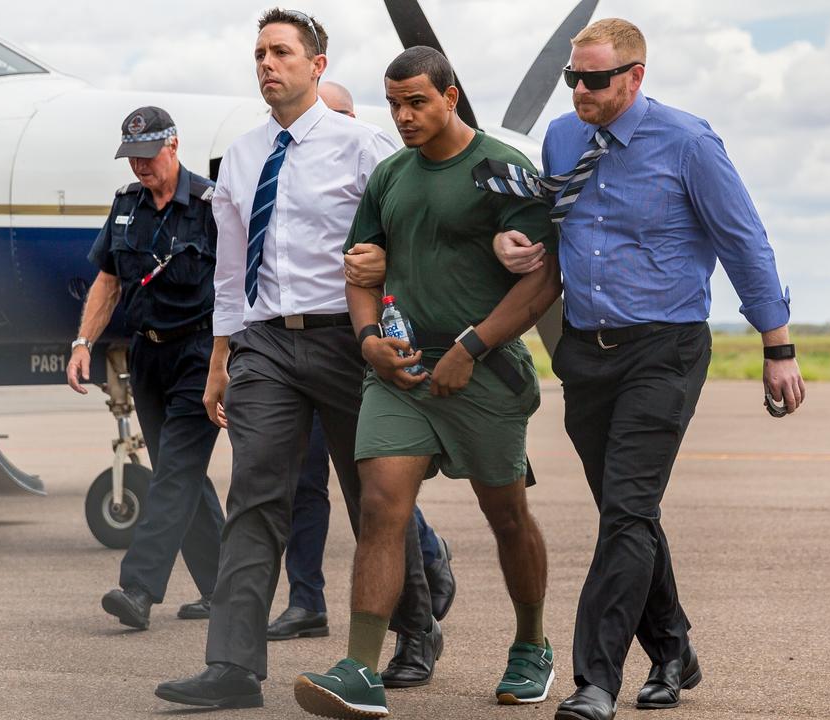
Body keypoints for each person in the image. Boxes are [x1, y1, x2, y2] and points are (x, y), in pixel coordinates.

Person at [484, 19, 806, 720]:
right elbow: (550, 226)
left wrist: (776, 346)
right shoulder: (564, 138)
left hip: (665, 349)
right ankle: (673, 650)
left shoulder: (689, 143)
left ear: (635, 76)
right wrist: (515, 247)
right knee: (629, 514)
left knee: (626, 512)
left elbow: (744, 242)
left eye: (595, 79)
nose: (579, 91)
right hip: (584, 352)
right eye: (573, 77)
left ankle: (593, 680)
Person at [153, 10, 437, 709]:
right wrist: (221, 356)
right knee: (254, 499)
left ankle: (415, 631)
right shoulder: (242, 156)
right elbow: (227, 270)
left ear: (318, 65)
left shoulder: (364, 147)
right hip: (267, 343)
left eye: (281, 52)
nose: (266, 64)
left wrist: (392, 299)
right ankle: (232, 668)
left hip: (349, 339)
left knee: (372, 497)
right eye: (258, 53)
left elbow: (410, 237)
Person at [293, 46, 561, 719]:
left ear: (451, 96)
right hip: (401, 373)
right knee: (382, 502)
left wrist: (474, 345)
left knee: (506, 515)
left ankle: (531, 644)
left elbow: (542, 278)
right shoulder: (389, 177)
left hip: (485, 373)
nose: (405, 116)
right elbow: (361, 274)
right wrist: (367, 343)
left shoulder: (502, 169)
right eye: (395, 104)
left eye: (418, 101)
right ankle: (360, 667)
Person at [270, 81, 457, 643]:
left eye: (342, 113)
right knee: (298, 482)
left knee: (374, 490)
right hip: (294, 344)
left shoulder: (376, 155)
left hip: (362, 341)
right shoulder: (286, 161)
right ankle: (305, 600)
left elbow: (421, 241)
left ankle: (417, 607)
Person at [66, 106, 225, 630]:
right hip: (147, 355)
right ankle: (226, 590)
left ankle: (138, 588)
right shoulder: (127, 205)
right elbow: (109, 281)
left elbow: (240, 282)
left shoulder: (210, 205)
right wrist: (83, 341)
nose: (140, 167)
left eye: (148, 155)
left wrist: (231, 357)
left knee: (175, 474)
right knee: (182, 475)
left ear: (174, 145)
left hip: (200, 354)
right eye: (131, 157)